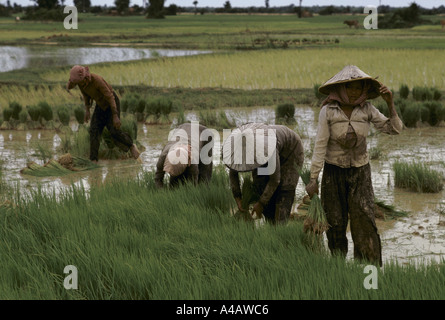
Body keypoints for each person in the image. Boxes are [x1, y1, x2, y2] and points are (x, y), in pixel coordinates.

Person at [305, 65, 403, 266]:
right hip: (333, 173)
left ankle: (370, 276)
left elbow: (394, 129)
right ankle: (339, 268)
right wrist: (313, 178)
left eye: (359, 88)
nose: (354, 92)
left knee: (365, 222)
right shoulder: (328, 111)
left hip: (360, 172)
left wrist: (390, 104)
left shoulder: (367, 109)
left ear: (364, 90)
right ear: (341, 88)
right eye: (350, 87)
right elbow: (320, 145)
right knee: (335, 224)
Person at [223, 123, 304, 224]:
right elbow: (233, 173)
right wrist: (238, 198)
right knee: (259, 185)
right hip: (269, 151)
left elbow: (275, 179)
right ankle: (270, 223)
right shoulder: (237, 148)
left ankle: (280, 226)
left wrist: (261, 203)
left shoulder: (268, 147)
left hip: (291, 152)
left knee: (284, 190)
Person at [66, 65, 140, 162]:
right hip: (100, 105)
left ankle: (131, 145)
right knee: (94, 130)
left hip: (112, 104)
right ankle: (94, 160)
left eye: (79, 82)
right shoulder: (81, 83)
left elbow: (110, 96)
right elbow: (85, 96)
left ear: (84, 77)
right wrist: (87, 110)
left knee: (114, 131)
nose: (79, 84)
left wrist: (115, 115)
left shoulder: (97, 80)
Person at [155, 122, 214, 188]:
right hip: (182, 128)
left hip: (204, 135)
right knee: (174, 182)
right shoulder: (164, 156)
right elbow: (158, 178)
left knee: (204, 174)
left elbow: (193, 182)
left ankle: (204, 190)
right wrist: (161, 191)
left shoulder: (193, 160)